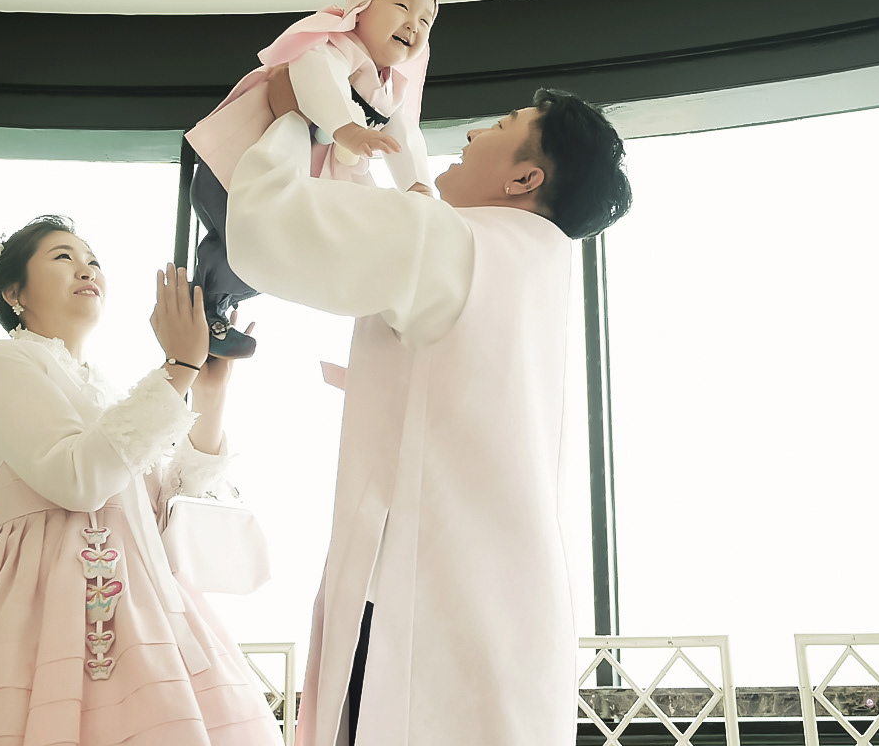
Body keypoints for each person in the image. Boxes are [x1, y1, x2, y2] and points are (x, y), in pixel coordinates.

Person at [228, 73, 633, 746]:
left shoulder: (452, 241)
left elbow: (266, 226)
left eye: (499, 126)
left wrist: (295, 120)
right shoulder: (538, 267)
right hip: (513, 607)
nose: (472, 132)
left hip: (418, 600)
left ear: (524, 179)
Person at [0, 216, 282, 746]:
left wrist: (207, 390)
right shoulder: (5, 360)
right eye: (63, 257)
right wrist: (177, 368)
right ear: (13, 293)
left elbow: (167, 509)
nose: (87, 268)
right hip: (42, 605)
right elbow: (78, 480)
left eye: (93, 259)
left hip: (142, 605)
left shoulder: (108, 392)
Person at [182, 0, 438, 358]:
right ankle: (205, 311)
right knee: (244, 246)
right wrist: (346, 128)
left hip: (288, 177)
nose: (414, 24)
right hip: (237, 167)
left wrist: (418, 185)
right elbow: (314, 73)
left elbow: (404, 133)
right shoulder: (334, 46)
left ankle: (214, 312)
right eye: (403, 6)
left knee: (273, 254)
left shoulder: (390, 89)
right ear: (361, 9)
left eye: (426, 20)